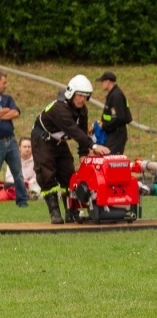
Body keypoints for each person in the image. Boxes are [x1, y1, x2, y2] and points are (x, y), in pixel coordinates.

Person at [31, 75, 111, 223]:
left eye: (85, 96)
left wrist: (83, 153)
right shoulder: (59, 109)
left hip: (60, 141)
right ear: (71, 93)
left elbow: (82, 131)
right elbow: (74, 131)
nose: (82, 99)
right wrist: (93, 146)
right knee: (46, 174)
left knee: (68, 174)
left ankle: (71, 211)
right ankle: (55, 212)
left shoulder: (82, 110)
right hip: (43, 140)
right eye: (79, 95)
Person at [0, 72, 29, 208]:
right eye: (4, 83)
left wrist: (2, 114)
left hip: (11, 141)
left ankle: (22, 201)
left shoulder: (8, 99)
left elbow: (16, 112)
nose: (6, 85)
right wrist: (6, 111)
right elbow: (10, 112)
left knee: (18, 173)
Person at [96, 71, 131, 155]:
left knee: (111, 158)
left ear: (108, 82)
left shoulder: (116, 96)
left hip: (117, 134)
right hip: (113, 133)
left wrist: (104, 125)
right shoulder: (113, 94)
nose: (101, 84)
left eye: (102, 81)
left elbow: (119, 117)